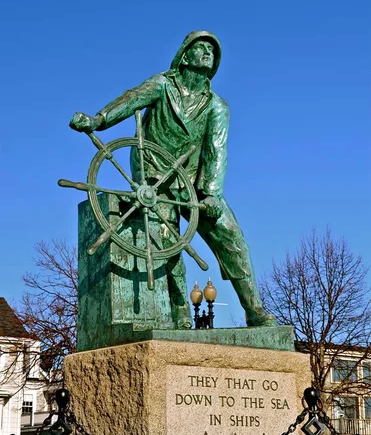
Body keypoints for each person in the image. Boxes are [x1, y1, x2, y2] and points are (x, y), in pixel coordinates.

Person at [70, 31, 275, 327]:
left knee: (232, 238)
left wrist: (212, 194)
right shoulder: (162, 85)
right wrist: (97, 121)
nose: (207, 52)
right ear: (184, 56)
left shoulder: (217, 106)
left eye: (212, 50)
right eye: (200, 47)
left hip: (194, 183)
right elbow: (130, 101)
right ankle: (178, 313)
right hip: (155, 177)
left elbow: (216, 150)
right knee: (166, 244)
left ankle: (254, 309)